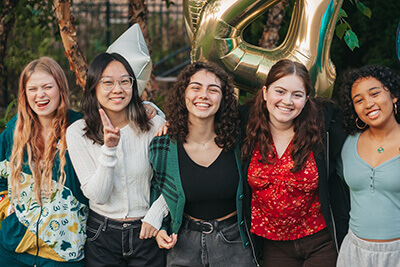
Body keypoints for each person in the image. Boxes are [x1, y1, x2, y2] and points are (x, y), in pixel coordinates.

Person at [240, 59, 349, 266]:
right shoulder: (245, 127)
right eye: (280, 91)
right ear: (265, 93)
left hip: (320, 240)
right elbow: (205, 120)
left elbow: (368, 122)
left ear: (307, 99)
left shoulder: (324, 127)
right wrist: (164, 120)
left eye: (297, 95)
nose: (287, 101)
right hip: (273, 244)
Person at [149, 62, 258, 266]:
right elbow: (158, 188)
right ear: (184, 93)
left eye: (213, 89)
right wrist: (160, 228)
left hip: (233, 242)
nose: (204, 95)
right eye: (196, 87)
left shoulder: (241, 139)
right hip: (182, 243)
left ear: (224, 98)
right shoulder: (163, 144)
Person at [66, 52, 166, 266]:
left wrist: (156, 214)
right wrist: (109, 150)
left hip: (147, 231)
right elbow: (98, 195)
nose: (118, 89)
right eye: (108, 82)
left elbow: (175, 179)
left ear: (133, 85)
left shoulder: (153, 126)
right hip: (101, 234)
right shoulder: (78, 132)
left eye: (124, 81)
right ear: (94, 87)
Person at [0, 57, 88, 266]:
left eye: (48, 87)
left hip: (64, 254)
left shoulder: (80, 128)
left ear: (60, 89)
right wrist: (5, 207)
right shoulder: (15, 131)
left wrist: (150, 109)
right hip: (14, 250)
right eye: (33, 89)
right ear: (24, 94)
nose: (40, 95)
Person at [337, 65, 400, 267]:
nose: (368, 104)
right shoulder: (346, 144)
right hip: (354, 253)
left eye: (375, 93)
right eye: (358, 100)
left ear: (394, 96)